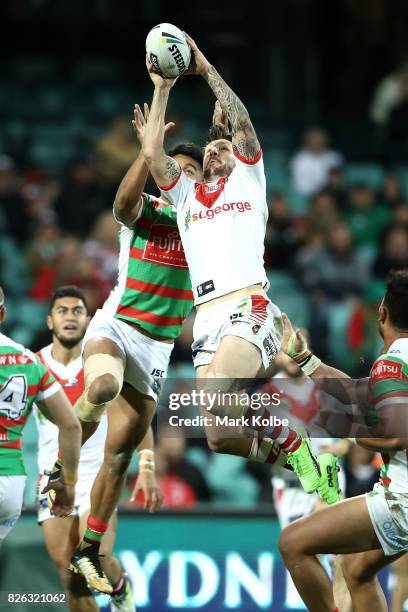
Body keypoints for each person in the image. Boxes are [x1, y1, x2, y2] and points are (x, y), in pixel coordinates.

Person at [142, 35, 338, 499]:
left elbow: (242, 119)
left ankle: (296, 441)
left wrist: (204, 67)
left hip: (248, 306)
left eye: (223, 149)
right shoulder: (186, 196)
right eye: (211, 150)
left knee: (214, 401)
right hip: (207, 317)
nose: (214, 152)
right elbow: (152, 155)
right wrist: (163, 86)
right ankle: (300, 454)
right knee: (218, 436)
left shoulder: (248, 182)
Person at [68, 105, 203, 593]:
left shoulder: (207, 227)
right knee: (102, 384)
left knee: (120, 453)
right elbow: (121, 208)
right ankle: (61, 468)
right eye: (177, 168)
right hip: (118, 325)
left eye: (191, 173)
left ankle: (90, 549)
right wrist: (148, 154)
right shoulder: (151, 207)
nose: (180, 176)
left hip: (158, 349)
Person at [278, 269, 408, 612]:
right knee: (357, 568)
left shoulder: (393, 361)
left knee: (293, 542)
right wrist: (307, 360)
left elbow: (395, 434)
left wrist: (350, 430)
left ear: (382, 313)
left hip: (402, 501)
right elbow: (354, 391)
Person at [34, 286, 161, 611]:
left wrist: (146, 467)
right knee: (68, 574)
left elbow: (137, 421)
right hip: (55, 477)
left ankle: (119, 590)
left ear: (88, 320)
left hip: (97, 477)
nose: (70, 317)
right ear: (50, 321)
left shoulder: (103, 365)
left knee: (98, 557)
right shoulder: (34, 366)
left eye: (77, 310)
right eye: (62, 311)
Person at [0, 285, 81, 543]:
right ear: (3, 315)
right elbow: (71, 426)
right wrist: (67, 483)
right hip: (12, 482)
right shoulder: (30, 360)